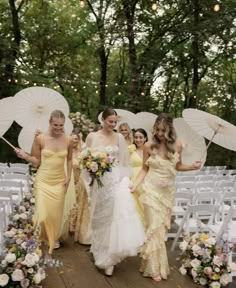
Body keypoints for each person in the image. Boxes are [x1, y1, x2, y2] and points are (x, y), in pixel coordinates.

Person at [130, 113, 201, 281]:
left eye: (163, 130)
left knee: (160, 229)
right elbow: (144, 169)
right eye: (158, 130)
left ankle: (152, 264)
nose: (160, 133)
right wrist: (135, 184)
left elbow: (178, 166)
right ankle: (154, 268)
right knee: (153, 226)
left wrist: (192, 166)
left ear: (170, 130)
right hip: (150, 190)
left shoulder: (177, 145)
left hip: (167, 193)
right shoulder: (148, 146)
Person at [85, 108, 145, 276]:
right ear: (102, 120)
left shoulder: (119, 137)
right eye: (110, 121)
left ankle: (110, 258)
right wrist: (91, 172)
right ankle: (98, 250)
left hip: (116, 181)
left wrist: (125, 180)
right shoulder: (92, 137)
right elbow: (85, 159)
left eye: (115, 122)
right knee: (99, 217)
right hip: (99, 182)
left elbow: (124, 162)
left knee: (113, 218)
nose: (113, 124)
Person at [15, 110, 73, 258]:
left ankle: (51, 240)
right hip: (43, 180)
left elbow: (69, 159)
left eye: (61, 125)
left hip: (59, 181)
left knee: (54, 214)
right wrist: (25, 156)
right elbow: (36, 160)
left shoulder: (68, 140)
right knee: (41, 211)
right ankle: (37, 240)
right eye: (55, 125)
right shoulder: (40, 138)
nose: (58, 128)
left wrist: (69, 177)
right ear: (50, 122)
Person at [69, 129, 91, 245]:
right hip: (69, 180)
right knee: (70, 201)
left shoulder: (82, 151)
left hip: (80, 180)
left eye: (76, 138)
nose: (74, 141)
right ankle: (69, 223)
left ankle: (74, 223)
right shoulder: (66, 151)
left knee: (78, 202)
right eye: (72, 138)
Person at [129, 128, 148, 224]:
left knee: (145, 203)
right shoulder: (131, 149)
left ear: (145, 138)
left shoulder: (149, 150)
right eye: (136, 137)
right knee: (134, 204)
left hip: (146, 179)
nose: (138, 140)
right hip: (133, 179)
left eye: (141, 137)